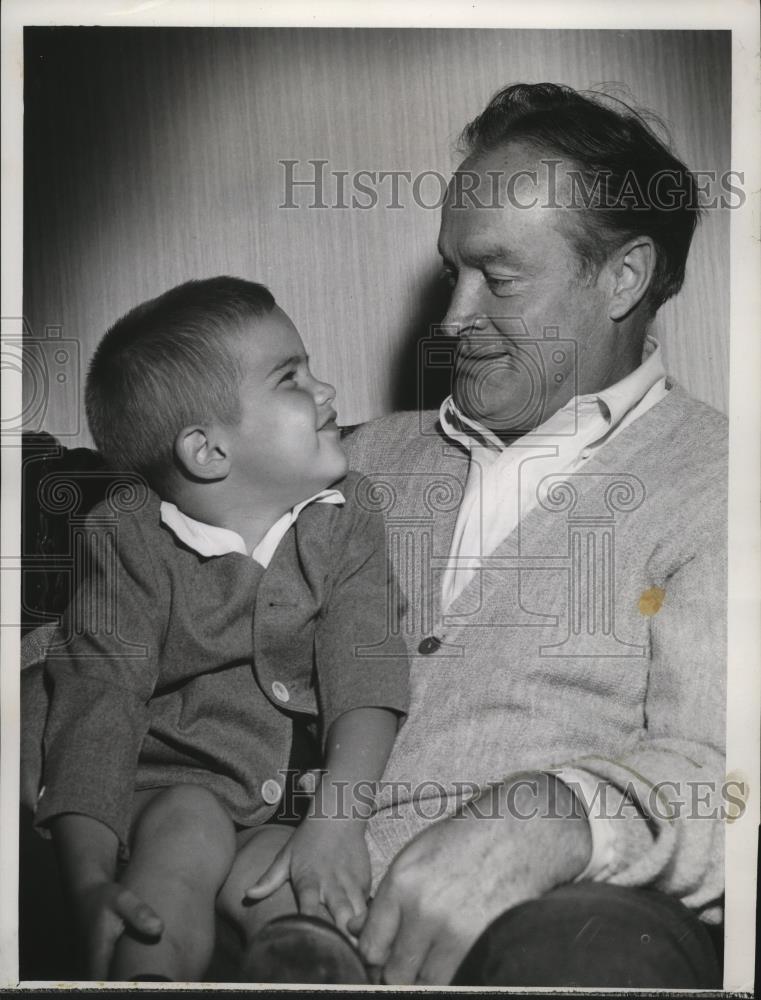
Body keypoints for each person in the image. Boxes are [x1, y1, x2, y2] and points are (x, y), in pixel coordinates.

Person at [339, 83, 727, 987]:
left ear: (622, 277)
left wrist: (554, 817)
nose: (451, 320)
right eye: (452, 273)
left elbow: (729, 783)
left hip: (526, 945)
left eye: (499, 279)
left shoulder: (724, 486)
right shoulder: (356, 459)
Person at [21, 277, 408, 982]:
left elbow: (366, 675)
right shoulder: (126, 538)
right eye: (291, 378)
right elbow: (95, 708)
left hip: (281, 809)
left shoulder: (348, 515)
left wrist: (335, 822)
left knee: (293, 885)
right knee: (188, 829)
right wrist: (88, 880)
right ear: (207, 451)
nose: (325, 390)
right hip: (160, 797)